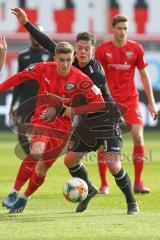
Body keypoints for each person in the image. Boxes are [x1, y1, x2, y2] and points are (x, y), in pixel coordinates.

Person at [8, 8, 139, 215]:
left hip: (106, 120)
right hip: (86, 123)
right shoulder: (70, 62)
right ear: (76, 50)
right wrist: (26, 23)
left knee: (113, 165)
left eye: (87, 48)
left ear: (93, 50)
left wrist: (62, 110)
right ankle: (89, 189)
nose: (83, 52)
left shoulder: (95, 74)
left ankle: (132, 203)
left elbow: (95, 105)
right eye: (80, 48)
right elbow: (48, 43)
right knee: (70, 160)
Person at [1, 41, 105, 214]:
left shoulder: (81, 79)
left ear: (73, 59)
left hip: (63, 129)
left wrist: (74, 110)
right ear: (54, 58)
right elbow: (19, 77)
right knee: (36, 151)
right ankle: (14, 192)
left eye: (68, 60)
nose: (65, 64)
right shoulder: (43, 68)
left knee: (41, 170)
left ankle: (25, 197)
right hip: (43, 119)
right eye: (61, 60)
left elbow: (99, 103)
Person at [96, 15, 158, 194]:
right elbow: (97, 77)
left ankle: (138, 182)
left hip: (130, 100)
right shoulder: (103, 49)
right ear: (113, 29)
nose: (122, 32)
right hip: (109, 101)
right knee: (103, 143)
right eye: (119, 28)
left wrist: (152, 103)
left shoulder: (135, 49)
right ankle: (104, 184)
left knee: (138, 136)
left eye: (125, 28)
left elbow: (144, 76)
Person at [9, 24, 53, 155]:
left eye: (38, 34)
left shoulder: (50, 55)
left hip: (43, 101)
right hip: (26, 100)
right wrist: (13, 104)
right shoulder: (23, 56)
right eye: (33, 34)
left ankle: (38, 159)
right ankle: (31, 159)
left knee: (39, 134)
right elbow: (18, 82)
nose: (35, 37)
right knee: (22, 132)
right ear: (29, 36)